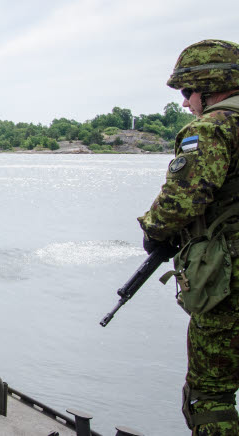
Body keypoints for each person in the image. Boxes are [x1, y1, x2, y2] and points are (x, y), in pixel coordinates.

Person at [138, 39, 239, 435]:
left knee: (209, 396)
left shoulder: (213, 128)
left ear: (211, 86)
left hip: (229, 280)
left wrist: (154, 231)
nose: (185, 103)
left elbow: (181, 201)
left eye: (187, 91)